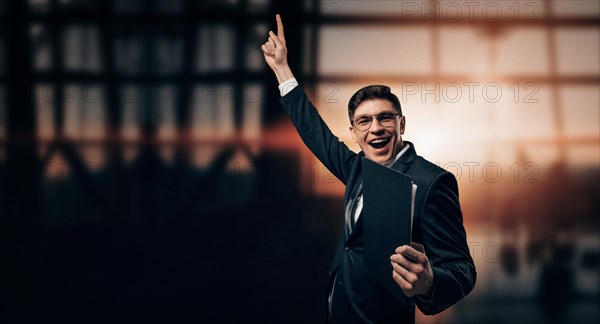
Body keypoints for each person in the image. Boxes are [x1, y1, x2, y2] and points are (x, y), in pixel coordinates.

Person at [261, 14, 476, 323]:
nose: (375, 128)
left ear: (401, 124)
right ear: (355, 132)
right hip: (339, 311)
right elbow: (315, 134)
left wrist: (428, 282)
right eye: (364, 121)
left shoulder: (433, 182)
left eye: (385, 118)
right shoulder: (357, 169)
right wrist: (282, 69)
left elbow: (462, 270)